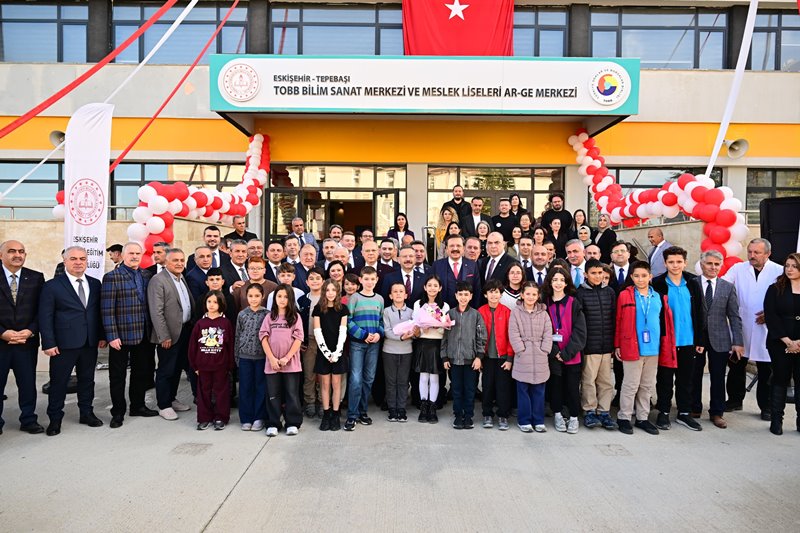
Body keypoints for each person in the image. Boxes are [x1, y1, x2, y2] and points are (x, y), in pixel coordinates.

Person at [39, 246, 106, 436]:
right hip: (63, 344)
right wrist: (49, 343)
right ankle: (55, 419)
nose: (78, 262)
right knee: (59, 383)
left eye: (82, 259)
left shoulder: (95, 284)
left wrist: (101, 335)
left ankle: (86, 413)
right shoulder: (52, 286)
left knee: (87, 380)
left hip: (89, 342)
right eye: (74, 259)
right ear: (65, 261)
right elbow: (45, 316)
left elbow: (97, 312)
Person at [722, 238, 783, 418]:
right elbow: (723, 285)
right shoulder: (738, 269)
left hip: (767, 329)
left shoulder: (779, 271)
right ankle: (734, 400)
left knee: (766, 370)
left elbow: (787, 297)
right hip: (741, 326)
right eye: (750, 251)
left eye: (757, 252)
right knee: (735, 366)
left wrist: (772, 313)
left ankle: (767, 407)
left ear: (768, 254)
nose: (752, 255)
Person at [615, 261, 676, 435]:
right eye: (636, 276)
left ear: (650, 277)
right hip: (632, 346)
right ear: (631, 277)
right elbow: (618, 321)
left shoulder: (658, 297)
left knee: (647, 385)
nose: (640, 279)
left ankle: (642, 417)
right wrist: (617, 344)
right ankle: (624, 417)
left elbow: (665, 323)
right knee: (630, 384)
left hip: (653, 348)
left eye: (644, 276)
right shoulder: (625, 296)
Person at [101, 242, 157, 429]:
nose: (134, 256)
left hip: (143, 334)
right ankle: (118, 412)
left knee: (141, 373)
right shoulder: (112, 277)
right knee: (117, 376)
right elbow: (107, 309)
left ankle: (138, 406)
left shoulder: (146, 275)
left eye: (137, 253)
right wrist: (112, 335)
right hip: (121, 336)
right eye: (131, 253)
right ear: (123, 255)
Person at [651, 246, 704, 432]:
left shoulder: (693, 283)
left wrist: (700, 340)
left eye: (679, 262)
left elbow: (700, 312)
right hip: (666, 341)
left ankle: (684, 413)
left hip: (688, 340)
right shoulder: (657, 284)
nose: (675, 265)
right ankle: (663, 411)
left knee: (686, 379)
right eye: (671, 262)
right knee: (664, 379)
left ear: (685, 262)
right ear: (665, 263)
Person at [692, 250, 744, 429]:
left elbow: (734, 316)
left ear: (721, 266)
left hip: (720, 338)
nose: (713, 267)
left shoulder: (727, 287)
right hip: (695, 337)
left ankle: (717, 412)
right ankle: (694, 408)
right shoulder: (692, 284)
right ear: (701, 264)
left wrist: (738, 341)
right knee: (694, 373)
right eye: (709, 263)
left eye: (717, 264)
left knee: (718, 376)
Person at [0, 240, 45, 435]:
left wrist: (30, 330)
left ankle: (28, 419)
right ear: (1, 255)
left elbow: (42, 310)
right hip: (1, 342)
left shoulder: (35, 278)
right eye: (11, 251)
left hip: (27, 342)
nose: (17, 255)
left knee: (27, 383)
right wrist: (2, 333)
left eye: (21, 251)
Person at [147, 248, 196, 421]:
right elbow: (156, 311)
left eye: (182, 260)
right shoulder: (158, 280)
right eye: (175, 260)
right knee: (166, 370)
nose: (179, 263)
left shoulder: (181, 277)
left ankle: (172, 399)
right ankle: (164, 405)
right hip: (169, 335)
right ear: (166, 262)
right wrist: (163, 336)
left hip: (184, 331)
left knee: (177, 369)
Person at [542, 267, 587, 434]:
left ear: (567, 282)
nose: (558, 283)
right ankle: (558, 414)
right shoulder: (545, 303)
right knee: (555, 386)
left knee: (572, 387)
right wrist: (555, 352)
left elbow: (580, 331)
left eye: (561, 280)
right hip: (552, 354)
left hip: (571, 355)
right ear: (550, 282)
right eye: (555, 280)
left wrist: (567, 352)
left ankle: (574, 417)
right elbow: (542, 330)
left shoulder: (574, 303)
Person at [576, 259, 618, 430]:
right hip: (589, 347)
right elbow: (578, 322)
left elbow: (614, 318)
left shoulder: (609, 292)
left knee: (606, 381)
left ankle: (604, 411)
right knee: (588, 380)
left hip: (606, 346)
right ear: (585, 274)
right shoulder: (580, 293)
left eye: (600, 273)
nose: (597, 276)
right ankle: (590, 410)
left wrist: (614, 344)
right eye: (593, 273)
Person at [259, 284, 304, 437]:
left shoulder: (295, 317)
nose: (282, 299)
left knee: (292, 394)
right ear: (274, 298)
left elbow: (298, 339)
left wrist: (286, 358)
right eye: (279, 296)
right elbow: (263, 337)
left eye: (285, 296)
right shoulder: (269, 317)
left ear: (290, 298)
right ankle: (273, 423)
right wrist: (272, 358)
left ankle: (292, 423)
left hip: (291, 363)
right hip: (272, 364)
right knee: (273, 394)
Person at [763, 252, 800, 435]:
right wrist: (787, 341)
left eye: (794, 266)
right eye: (787, 265)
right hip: (779, 342)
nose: (790, 269)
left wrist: (798, 342)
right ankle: (776, 421)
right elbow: (771, 316)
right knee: (780, 380)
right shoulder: (775, 288)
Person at [509, 282, 553, 433]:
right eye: (528, 294)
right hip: (523, 357)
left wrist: (544, 349)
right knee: (523, 391)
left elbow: (548, 333)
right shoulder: (516, 312)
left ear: (538, 296)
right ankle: (524, 420)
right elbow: (513, 333)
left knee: (539, 391)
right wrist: (520, 349)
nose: (531, 297)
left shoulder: (543, 313)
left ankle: (538, 420)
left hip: (540, 356)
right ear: (522, 295)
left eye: (534, 294)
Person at [442, 281, 487, 430]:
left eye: (466, 295)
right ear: (456, 295)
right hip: (454, 360)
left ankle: (468, 416)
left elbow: (481, 337)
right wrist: (445, 357)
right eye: (460, 294)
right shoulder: (450, 314)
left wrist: (479, 357)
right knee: (456, 389)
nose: (463, 297)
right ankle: (458, 416)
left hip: (471, 360)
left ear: (471, 296)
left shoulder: (476, 315)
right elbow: (445, 337)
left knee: (469, 389)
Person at [343, 267, 384, 431]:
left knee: (369, 378)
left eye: (372, 279)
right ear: (360, 280)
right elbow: (348, 320)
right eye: (366, 279)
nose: (369, 282)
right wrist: (363, 335)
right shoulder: (354, 298)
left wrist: (378, 334)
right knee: (355, 379)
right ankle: (352, 415)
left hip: (374, 344)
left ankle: (362, 411)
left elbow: (381, 321)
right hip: (358, 344)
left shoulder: (379, 299)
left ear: (376, 280)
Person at [189, 291, 234, 431]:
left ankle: (221, 417)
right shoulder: (200, 323)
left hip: (221, 365)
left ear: (221, 304)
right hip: (203, 366)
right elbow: (192, 347)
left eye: (215, 302)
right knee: (203, 392)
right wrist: (194, 365)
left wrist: (230, 365)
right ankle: (204, 418)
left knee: (221, 392)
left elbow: (230, 345)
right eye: (209, 302)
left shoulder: (225, 323)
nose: (212, 305)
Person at [313, 279, 350, 431]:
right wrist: (326, 352)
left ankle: (335, 413)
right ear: (324, 292)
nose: (330, 293)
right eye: (327, 290)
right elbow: (317, 331)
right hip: (324, 352)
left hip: (337, 352)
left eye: (333, 290)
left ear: (337, 292)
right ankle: (326, 413)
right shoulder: (318, 309)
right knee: (325, 384)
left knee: (336, 384)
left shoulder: (343, 309)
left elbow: (343, 331)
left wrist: (337, 352)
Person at [478, 280, 515, 430]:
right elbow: (477, 336)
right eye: (491, 292)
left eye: (497, 292)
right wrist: (478, 357)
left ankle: (503, 415)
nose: (494, 295)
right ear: (486, 294)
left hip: (503, 358)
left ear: (501, 294)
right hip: (486, 357)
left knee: (503, 388)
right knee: (487, 386)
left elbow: (511, 336)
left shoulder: (507, 312)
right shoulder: (480, 311)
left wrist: (510, 358)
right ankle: (487, 413)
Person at [413, 275, 449, 424]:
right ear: (425, 287)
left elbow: (446, 328)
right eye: (429, 285)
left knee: (434, 377)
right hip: (422, 342)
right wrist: (422, 329)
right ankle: (424, 406)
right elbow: (415, 324)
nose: (432, 288)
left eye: (435, 285)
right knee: (423, 377)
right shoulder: (418, 304)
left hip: (437, 344)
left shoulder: (444, 306)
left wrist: (436, 326)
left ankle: (433, 407)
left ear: (440, 288)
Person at [235, 283, 268, 432]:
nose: (253, 299)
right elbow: (238, 335)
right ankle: (246, 418)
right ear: (246, 297)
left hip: (261, 357)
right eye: (250, 296)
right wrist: (237, 356)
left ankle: (259, 417)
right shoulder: (242, 314)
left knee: (261, 387)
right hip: (245, 357)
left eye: (257, 296)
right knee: (245, 387)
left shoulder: (267, 314)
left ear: (263, 296)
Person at [382, 281, 415, 423]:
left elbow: (415, 331)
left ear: (406, 295)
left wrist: (413, 334)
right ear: (390, 295)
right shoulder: (387, 311)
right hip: (389, 350)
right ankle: (392, 409)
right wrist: (401, 337)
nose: (398, 294)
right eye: (395, 291)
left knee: (403, 380)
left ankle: (401, 408)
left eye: (401, 291)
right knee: (391, 381)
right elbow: (387, 331)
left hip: (407, 351)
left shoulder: (412, 313)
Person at [431, 235, 481, 310]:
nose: (455, 249)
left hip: (466, 312)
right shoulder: (437, 265)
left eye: (458, 246)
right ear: (446, 249)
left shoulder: (472, 265)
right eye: (451, 246)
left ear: (463, 248)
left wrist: (474, 311)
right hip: (442, 311)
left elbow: (477, 290)